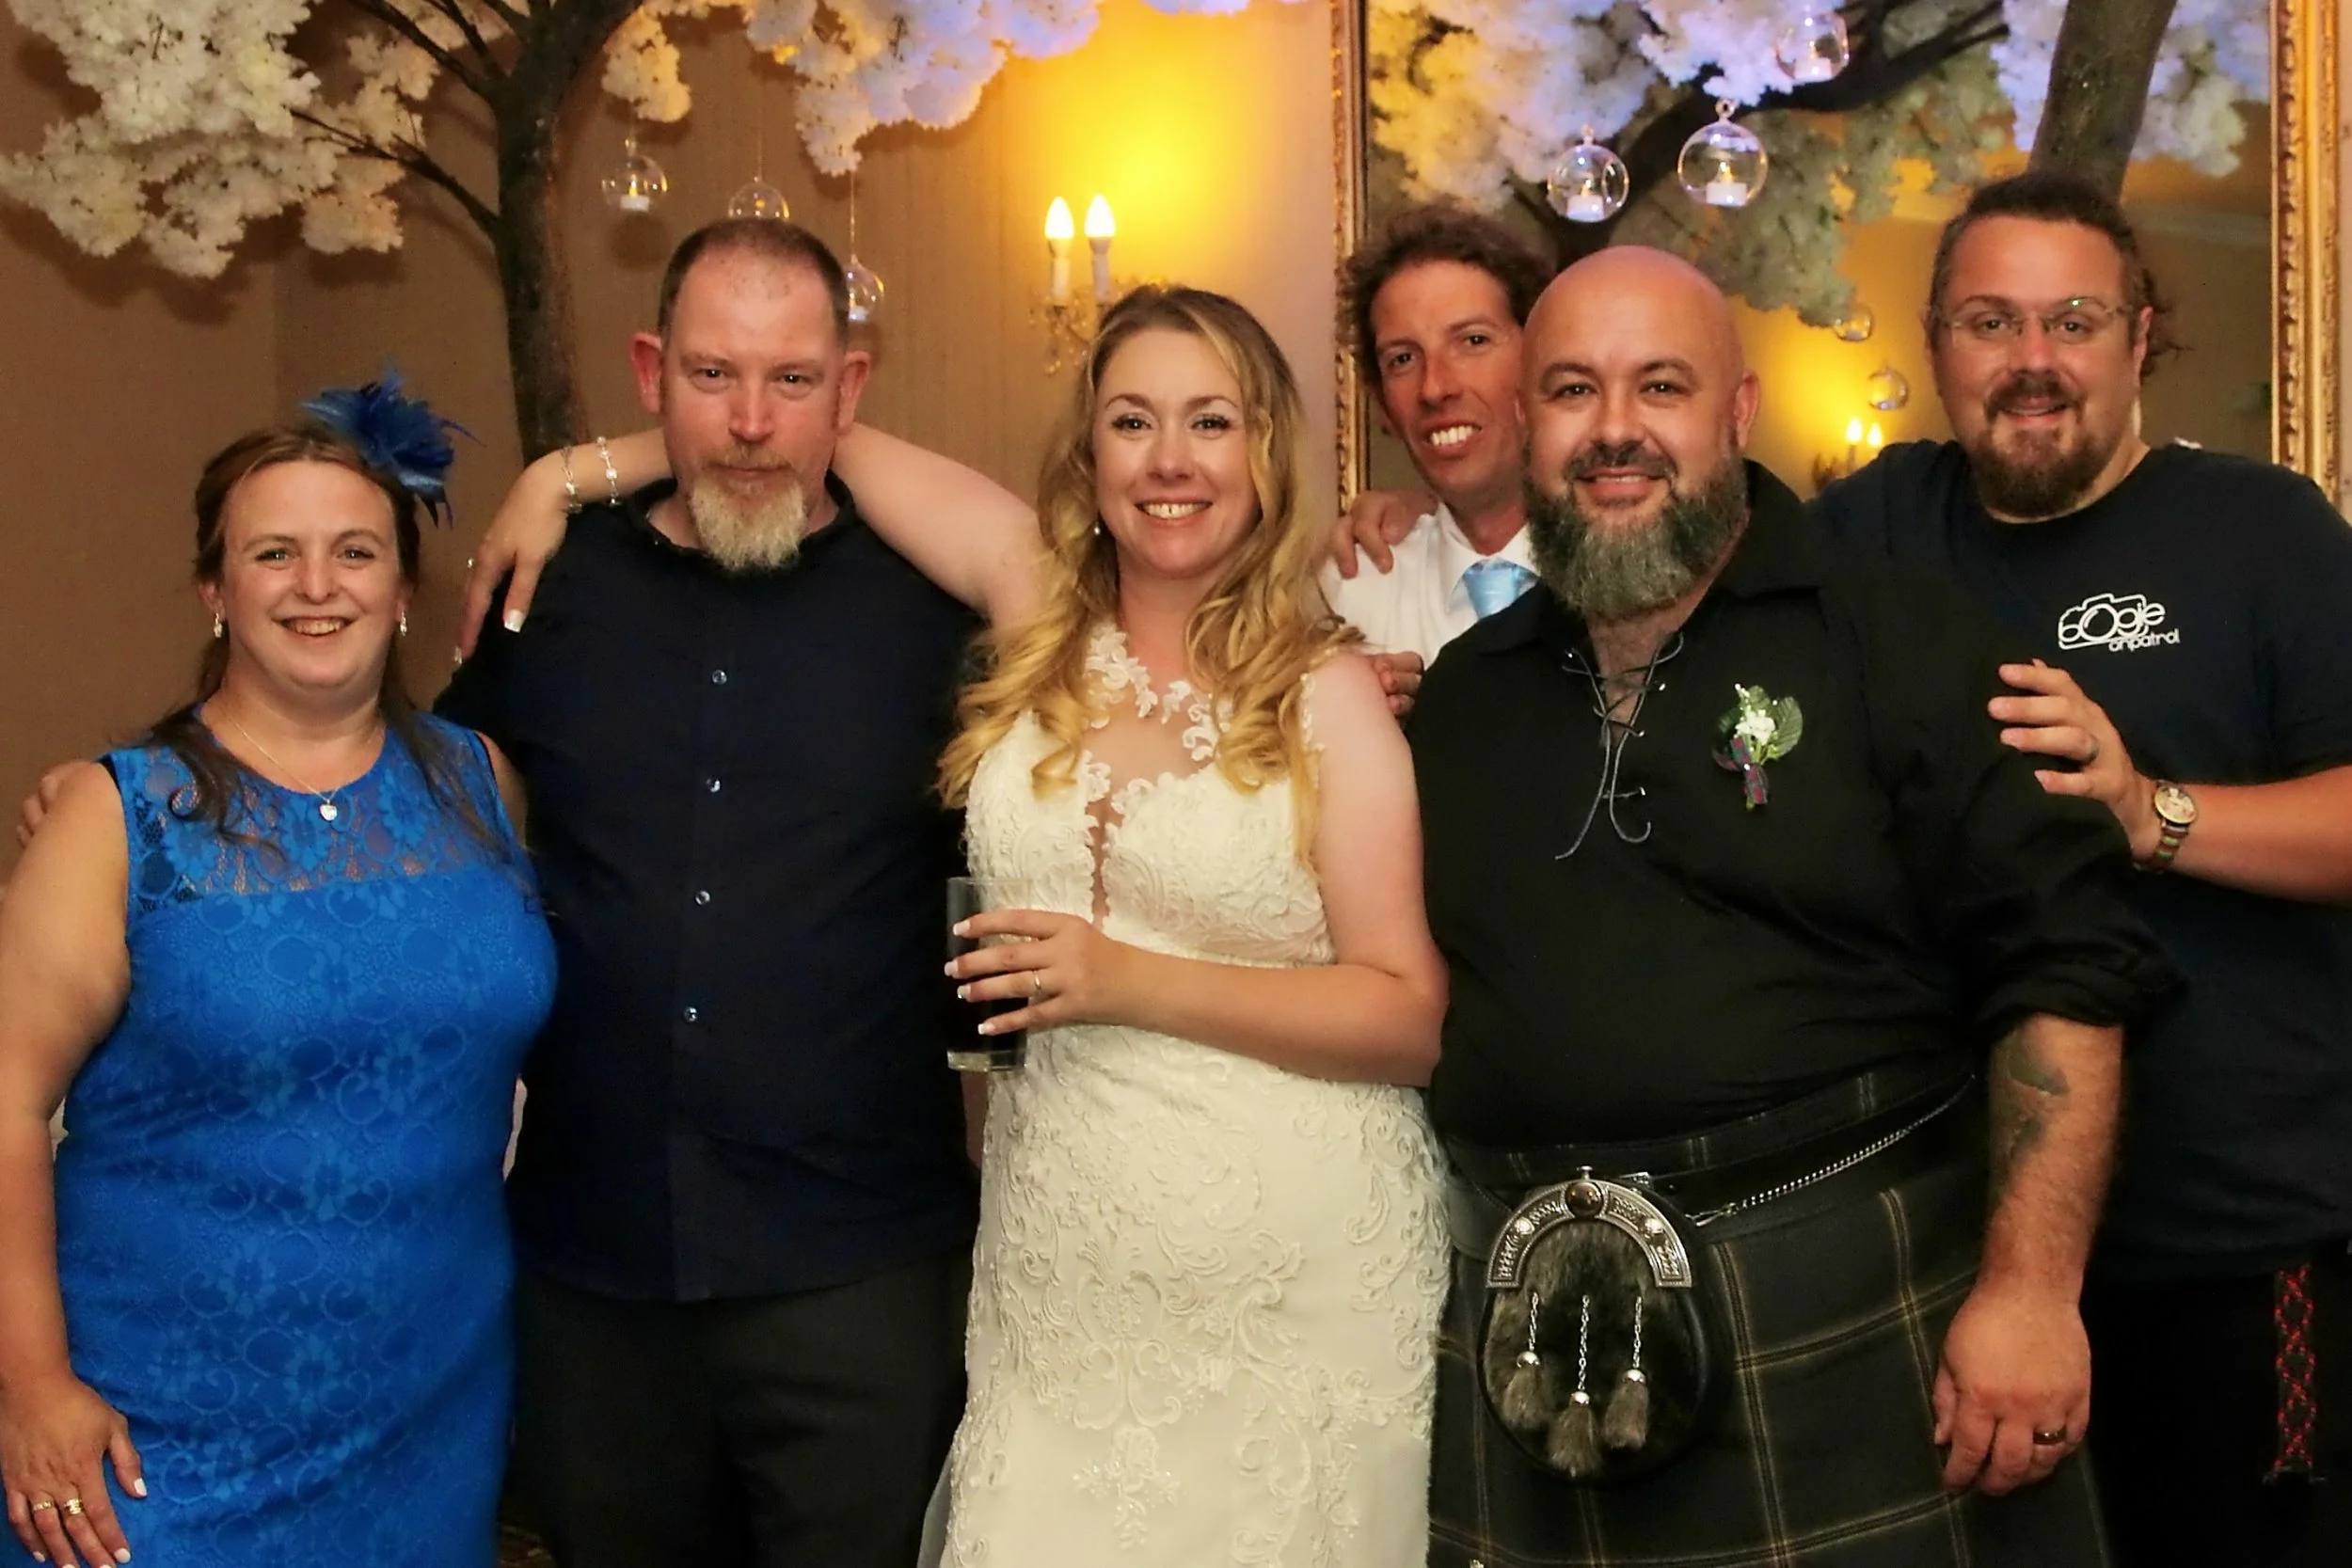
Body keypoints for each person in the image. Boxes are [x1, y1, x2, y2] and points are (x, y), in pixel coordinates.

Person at [1407, 245, 2176, 1566]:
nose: (1615, 431)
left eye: (1662, 386)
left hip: (1856, 1310)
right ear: (1529, 419)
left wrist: (2034, 1289)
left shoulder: (1904, 636)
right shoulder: (1464, 695)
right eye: (1574, 390)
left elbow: (2065, 969)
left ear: (1738, 412)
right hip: (1538, 1331)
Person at [432, 219, 1012, 1565]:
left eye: (793, 381)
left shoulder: (938, 611)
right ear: (650, 370)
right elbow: (417, 803)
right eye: (711, 375)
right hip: (592, 1267)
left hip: (856, 1268)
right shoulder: (550, 586)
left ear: (852, 392)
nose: (750, 421)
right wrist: (157, 790)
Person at [1815, 169, 2352, 1567]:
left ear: (2138, 335)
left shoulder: (2265, 530)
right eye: (1991, 321)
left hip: (2232, 1241)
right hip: (1957, 1245)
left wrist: (2147, 809)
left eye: (2072, 319)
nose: (2034, 360)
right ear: (1935, 343)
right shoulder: (1871, 531)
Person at [928, 285, 1448, 1564]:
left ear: (1266, 454)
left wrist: (1123, 978)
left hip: (1286, 1280)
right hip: (1057, 1271)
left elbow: (1407, 1013)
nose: (1170, 459)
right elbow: (811, 431)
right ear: (1087, 454)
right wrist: (584, 469)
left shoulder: (1327, 691)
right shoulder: (1038, 638)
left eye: (1210, 420)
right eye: (1133, 420)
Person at [0, 388, 555, 1568]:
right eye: (274, 553)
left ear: (403, 590)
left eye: (355, 551)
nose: (318, 584)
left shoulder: (481, 785)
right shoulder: (115, 817)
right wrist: (33, 1383)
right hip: (157, 1439)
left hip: (427, 1414)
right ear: (215, 592)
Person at [1323, 203, 1555, 662]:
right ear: (1381, 402)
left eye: (1472, 341)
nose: (1436, 387)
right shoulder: (1349, 595)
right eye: (1403, 359)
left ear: (1541, 361)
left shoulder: (1625, 567)